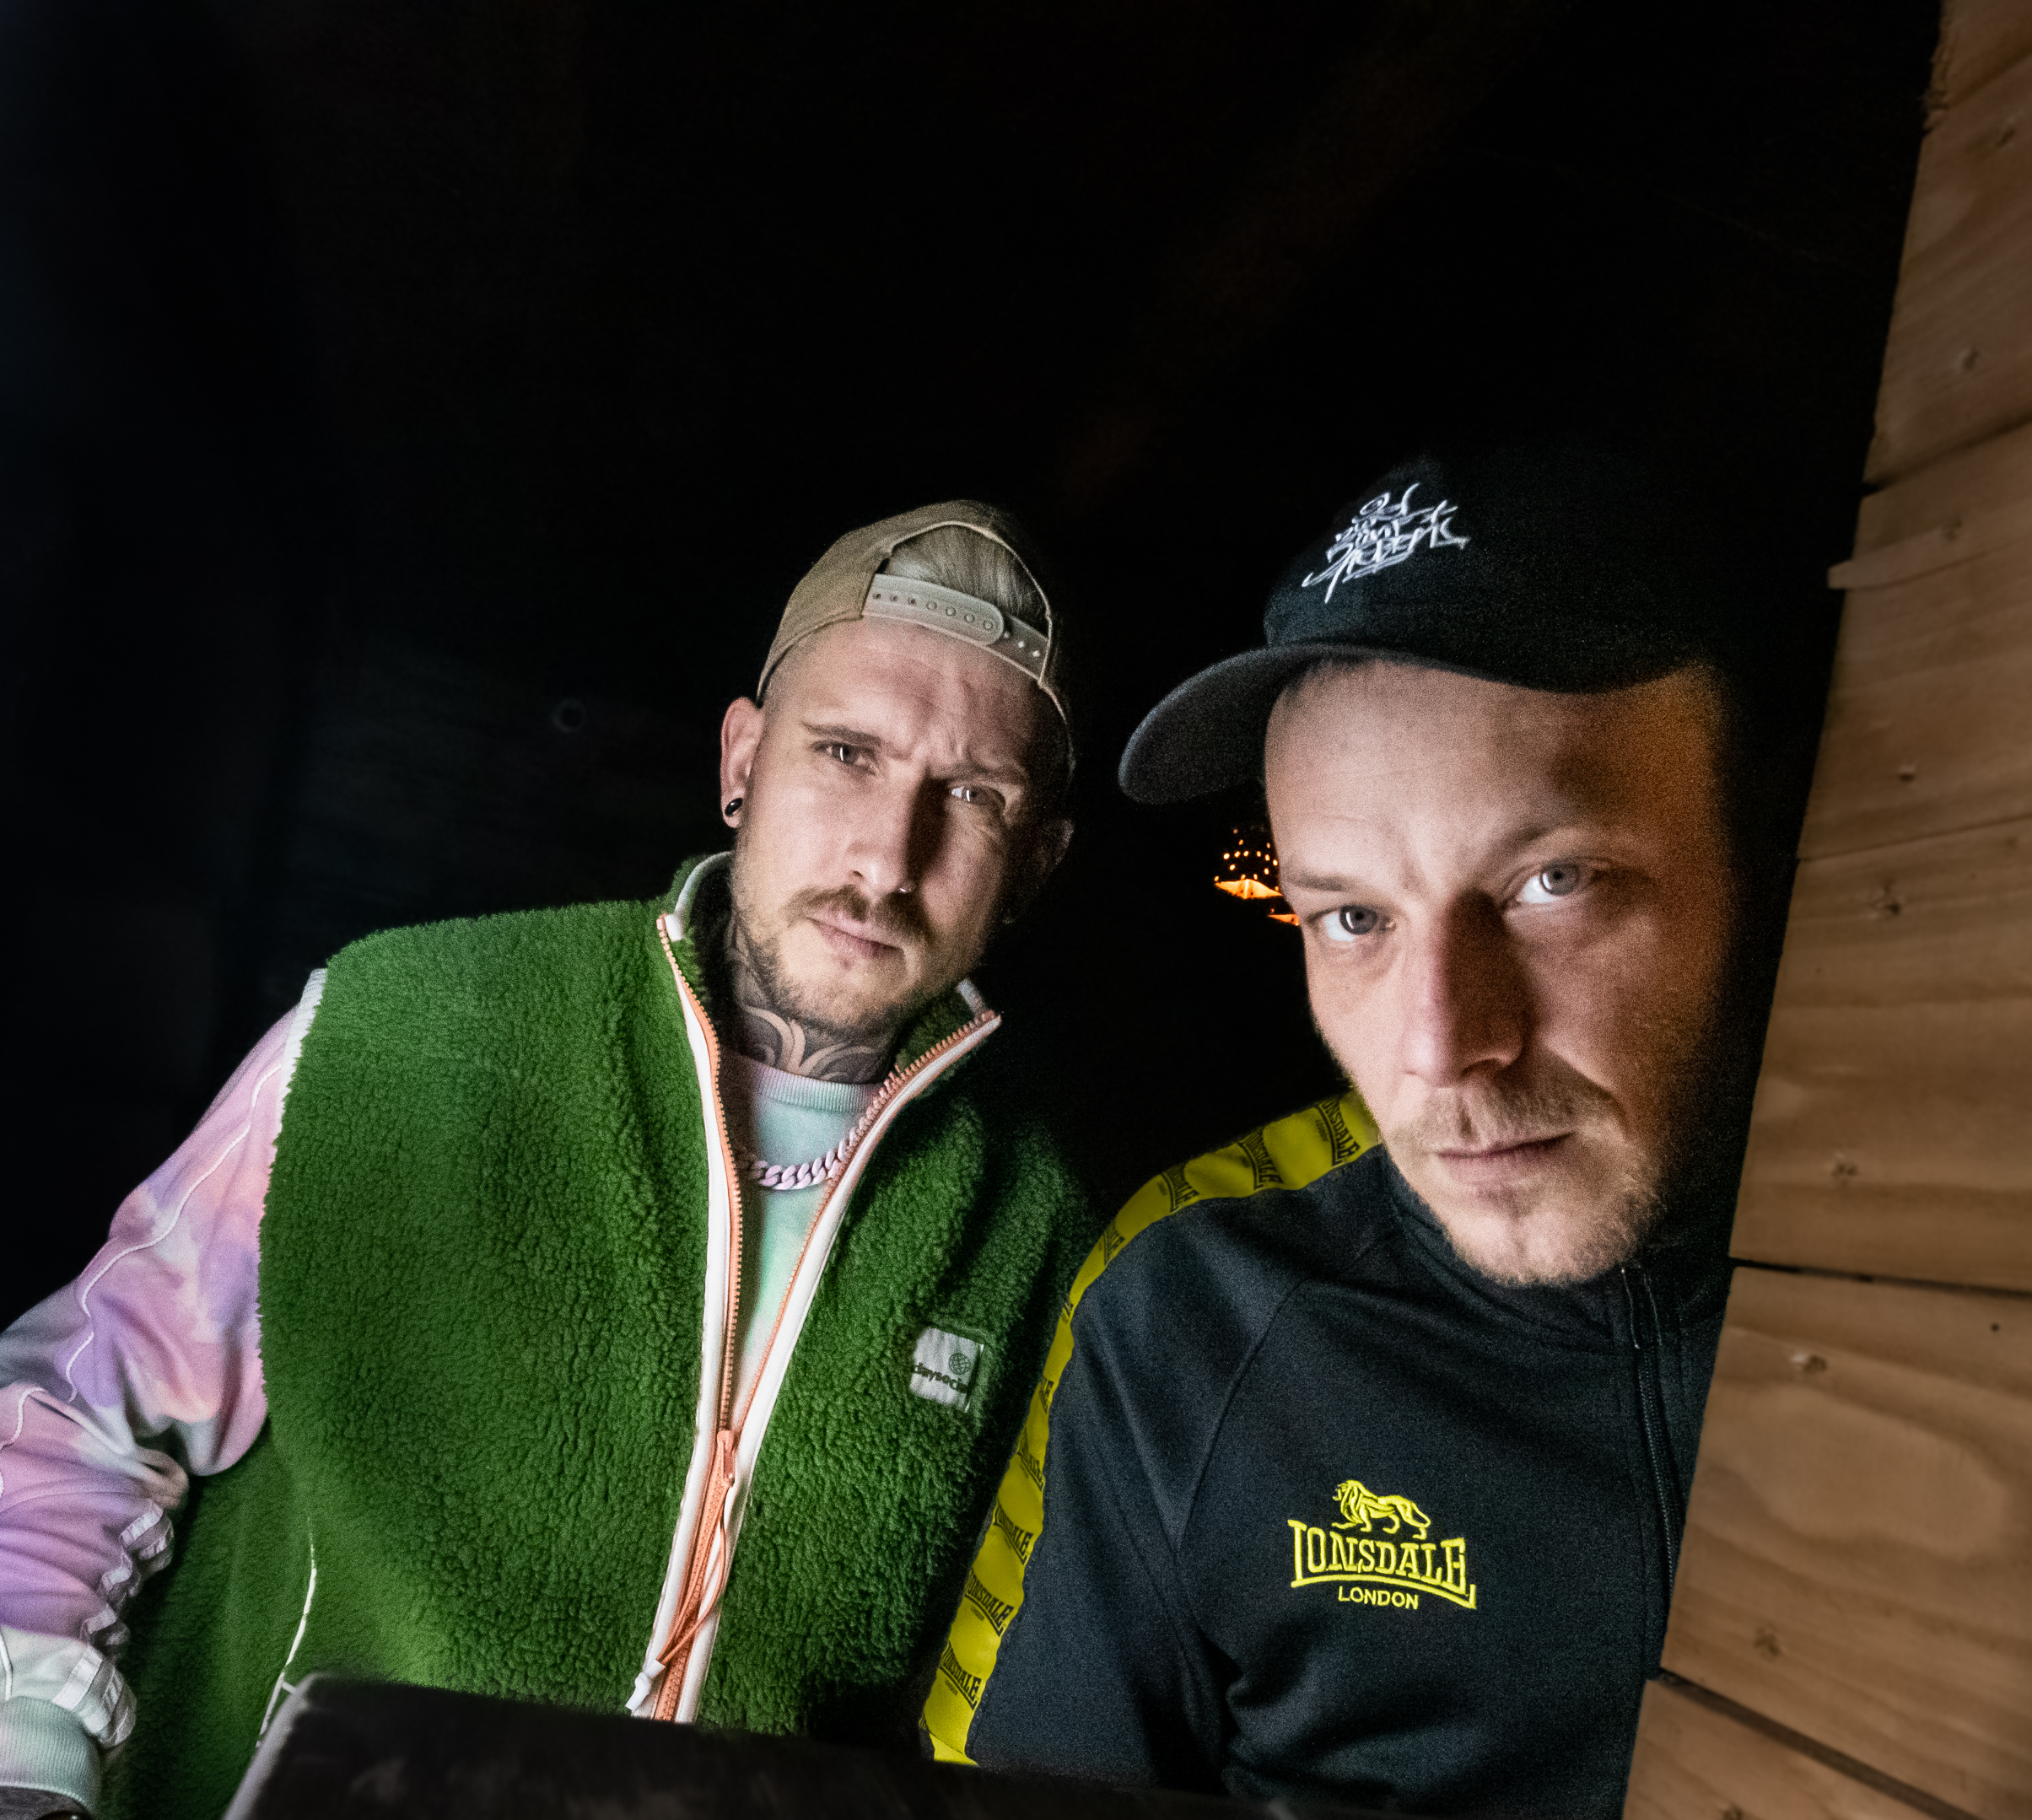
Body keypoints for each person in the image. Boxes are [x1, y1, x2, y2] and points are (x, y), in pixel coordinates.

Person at [0, 503, 1100, 1820]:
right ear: (743, 759)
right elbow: (74, 1412)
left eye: (972, 796)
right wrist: (27, 1761)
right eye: (846, 752)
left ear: (1037, 862)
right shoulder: (398, 1028)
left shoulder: (1045, 1225)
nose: (886, 854)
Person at [925, 449, 1786, 1817]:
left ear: (1765, 869)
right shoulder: (1194, 1328)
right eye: (1353, 918)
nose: (1441, 1042)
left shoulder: (1998, 1294)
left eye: (1552, 881)